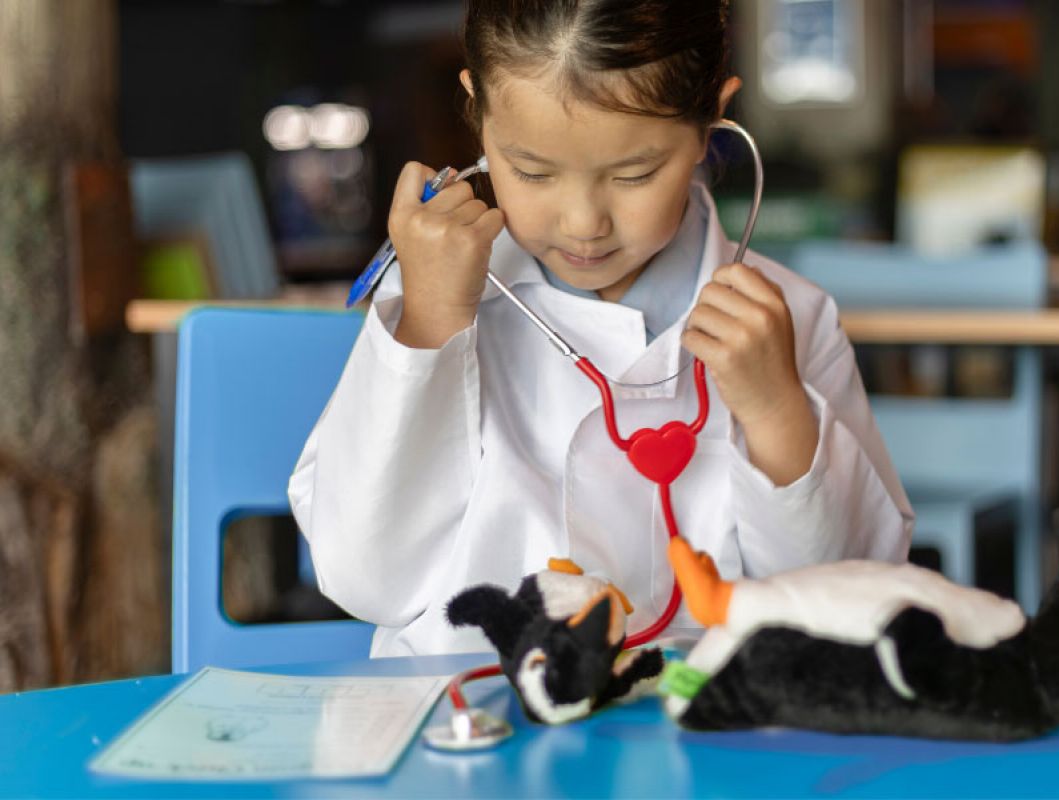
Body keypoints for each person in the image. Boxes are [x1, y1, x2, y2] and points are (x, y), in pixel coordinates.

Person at [288, 0, 913, 658]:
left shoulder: (790, 315)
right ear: (476, 107)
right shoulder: (427, 295)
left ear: (710, 121)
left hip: (699, 725)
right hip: (467, 713)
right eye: (532, 171)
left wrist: (778, 413)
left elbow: (850, 603)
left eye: (633, 173)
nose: (583, 222)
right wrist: (429, 325)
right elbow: (363, 578)